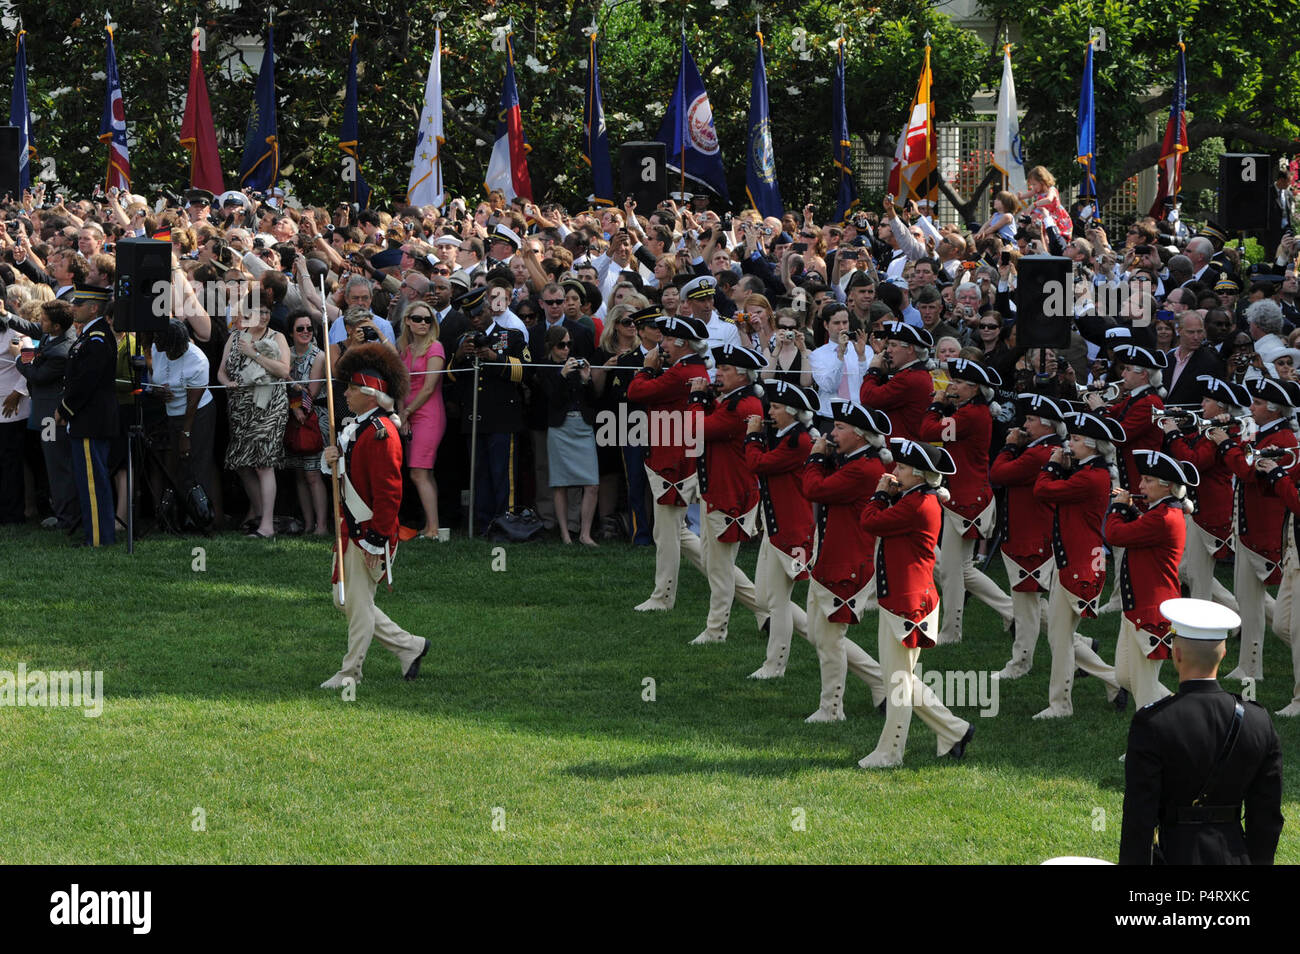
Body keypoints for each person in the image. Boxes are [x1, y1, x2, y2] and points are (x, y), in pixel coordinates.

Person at [1119, 598, 1283, 865]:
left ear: (1177, 653)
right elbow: (1267, 816)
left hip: (1174, 855)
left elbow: (1139, 817)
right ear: (1224, 653)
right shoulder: (1258, 721)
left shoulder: (1152, 722)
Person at [857, 438, 975, 768]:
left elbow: (870, 522)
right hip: (904, 599)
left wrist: (880, 494)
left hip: (907, 605)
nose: (894, 471)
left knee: (897, 682)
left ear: (919, 475)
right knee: (901, 678)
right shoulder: (916, 498)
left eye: (901, 468)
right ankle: (954, 729)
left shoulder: (916, 504)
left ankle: (890, 752)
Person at [319, 343, 430, 689]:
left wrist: (377, 538)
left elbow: (389, 493)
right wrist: (332, 458)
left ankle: (351, 671)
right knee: (347, 601)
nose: (346, 394)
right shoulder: (360, 427)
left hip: (369, 530)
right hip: (352, 524)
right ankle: (410, 646)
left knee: (355, 603)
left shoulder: (381, 434)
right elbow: (350, 479)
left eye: (352, 388)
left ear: (369, 394)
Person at [1032, 411, 1129, 718]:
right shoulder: (1089, 471)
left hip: (1078, 562)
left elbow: (1042, 490)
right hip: (1072, 559)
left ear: (1091, 445)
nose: (1068, 444)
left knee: (1059, 636)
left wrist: (1051, 465)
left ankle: (1060, 704)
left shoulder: (1090, 477)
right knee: (1060, 634)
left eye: (1074, 439)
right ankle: (1114, 680)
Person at [800, 399, 889, 722]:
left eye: (839, 428)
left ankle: (832, 708)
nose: (831, 433)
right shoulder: (854, 460)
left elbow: (813, 488)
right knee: (822, 635)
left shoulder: (863, 468)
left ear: (861, 435)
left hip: (847, 562)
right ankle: (881, 681)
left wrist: (815, 457)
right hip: (834, 558)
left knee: (829, 639)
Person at [917, 358, 1013, 643]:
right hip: (966, 498)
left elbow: (928, 432)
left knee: (950, 572)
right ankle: (1013, 612)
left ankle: (951, 632)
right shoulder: (970, 410)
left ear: (975, 389)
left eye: (958, 383)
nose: (952, 386)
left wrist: (936, 403)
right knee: (961, 570)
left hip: (967, 501)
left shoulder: (972, 415)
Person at [1210, 376, 1299, 681]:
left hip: (1264, 530)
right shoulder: (1263, 431)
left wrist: (1224, 443)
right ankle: (1250, 666)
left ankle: (1252, 665)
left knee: (1262, 605)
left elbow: (1248, 472)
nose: (1251, 407)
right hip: (1249, 528)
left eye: (1258, 403)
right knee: (1247, 602)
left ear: (1274, 410)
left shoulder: (1283, 439)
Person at [686, 344, 765, 643]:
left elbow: (694, 429)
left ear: (743, 377)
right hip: (719, 492)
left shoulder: (742, 407)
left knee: (718, 570)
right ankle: (765, 611)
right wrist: (706, 400)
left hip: (730, 496)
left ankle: (716, 630)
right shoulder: (733, 400)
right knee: (714, 563)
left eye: (725, 369)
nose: (717, 373)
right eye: (718, 367)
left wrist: (695, 398)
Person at [1106, 450, 1197, 709]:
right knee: (1125, 676)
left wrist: (1119, 508)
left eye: (1147, 480)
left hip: (1150, 611)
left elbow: (1115, 534)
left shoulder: (1164, 517)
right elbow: (1142, 530)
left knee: (1143, 690)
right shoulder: (1161, 512)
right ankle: (1179, 711)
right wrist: (1132, 511)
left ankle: (1146, 748)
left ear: (1166, 486)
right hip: (1138, 606)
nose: (1140, 485)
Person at [991, 394, 1068, 678]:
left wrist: (1010, 447)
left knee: (1025, 606)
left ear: (1047, 426)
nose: (1024, 425)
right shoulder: (1044, 448)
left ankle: (1020, 663)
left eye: (1031, 420)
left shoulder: (1037, 453)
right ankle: (1083, 650)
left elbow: (999, 474)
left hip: (1030, 538)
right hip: (1033, 535)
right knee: (1032, 603)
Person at [744, 381, 816, 678]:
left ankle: (774, 665)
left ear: (791, 412)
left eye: (774, 407)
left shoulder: (797, 441)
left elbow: (757, 463)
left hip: (791, 528)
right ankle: (814, 630)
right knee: (764, 599)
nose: (768, 411)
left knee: (776, 602)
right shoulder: (783, 433)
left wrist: (753, 437)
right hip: (775, 525)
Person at [1159, 376, 1245, 611]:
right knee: (1187, 570)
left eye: (1208, 400)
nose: (1202, 404)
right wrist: (1176, 423)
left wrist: (1173, 433)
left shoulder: (1222, 429)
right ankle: (1238, 612)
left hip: (1211, 510)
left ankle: (1214, 624)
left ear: (1222, 407)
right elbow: (1192, 446)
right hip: (1199, 508)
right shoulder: (1209, 428)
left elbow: (1194, 462)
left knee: (1197, 575)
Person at [218, 298, 290, 539]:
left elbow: (284, 371)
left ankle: (267, 526)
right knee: (242, 464)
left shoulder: (277, 337)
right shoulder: (235, 336)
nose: (265, 316)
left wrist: (254, 353)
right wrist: (227, 383)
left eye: (268, 311)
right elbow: (221, 371)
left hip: (269, 407)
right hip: (240, 407)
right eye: (260, 311)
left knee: (263, 463)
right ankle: (259, 516)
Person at [57, 285, 118, 546]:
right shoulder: (91, 335)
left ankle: (98, 538)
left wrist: (65, 409)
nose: (73, 307)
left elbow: (86, 382)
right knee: (90, 479)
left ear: (94, 307)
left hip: (90, 419)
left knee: (93, 482)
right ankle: (97, 534)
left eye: (78, 304)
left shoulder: (97, 338)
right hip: (88, 419)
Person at [15, 300, 77, 530]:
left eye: (43, 320)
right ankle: (62, 512)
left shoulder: (62, 350)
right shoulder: (55, 335)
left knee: (57, 464)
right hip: (45, 413)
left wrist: (18, 357)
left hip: (52, 417)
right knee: (54, 464)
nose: (39, 323)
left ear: (57, 326)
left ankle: (67, 517)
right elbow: (34, 337)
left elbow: (38, 375)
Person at [537, 324, 600, 545]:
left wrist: (585, 379)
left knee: (592, 484)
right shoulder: (543, 366)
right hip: (559, 428)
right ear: (551, 347)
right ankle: (565, 534)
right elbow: (551, 399)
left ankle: (585, 533)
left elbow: (592, 401)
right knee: (560, 483)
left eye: (569, 344)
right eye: (561, 345)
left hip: (583, 426)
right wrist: (561, 376)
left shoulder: (576, 365)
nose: (566, 349)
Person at [148, 319, 216, 511]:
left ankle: (202, 517)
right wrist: (156, 391)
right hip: (172, 413)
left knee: (196, 462)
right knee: (176, 464)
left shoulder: (198, 361)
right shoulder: (158, 349)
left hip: (197, 415)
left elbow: (192, 405)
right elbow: (156, 380)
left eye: (160, 337)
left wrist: (185, 435)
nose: (155, 339)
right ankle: (177, 514)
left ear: (172, 342)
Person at [396, 302, 447, 540]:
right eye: (417, 319)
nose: (423, 323)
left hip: (428, 415)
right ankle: (431, 527)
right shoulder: (403, 349)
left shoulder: (435, 347)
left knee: (418, 471)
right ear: (407, 320)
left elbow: (428, 388)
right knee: (423, 472)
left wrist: (406, 413)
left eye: (428, 319)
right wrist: (401, 413)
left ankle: (434, 529)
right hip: (408, 413)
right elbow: (400, 386)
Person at [284, 315, 329, 535]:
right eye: (299, 328)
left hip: (312, 418)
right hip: (292, 418)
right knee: (299, 474)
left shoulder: (318, 355)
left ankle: (321, 525)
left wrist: (298, 409)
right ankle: (308, 523)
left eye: (309, 328)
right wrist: (294, 408)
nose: (305, 331)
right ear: (291, 332)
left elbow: (311, 390)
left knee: (313, 475)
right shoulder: (287, 353)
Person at [860, 321, 934, 443]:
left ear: (910, 349)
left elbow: (868, 399)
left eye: (893, 345)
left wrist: (873, 371)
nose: (888, 350)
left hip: (902, 451)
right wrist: (883, 372)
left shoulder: (909, 378)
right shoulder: (913, 373)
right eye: (888, 345)